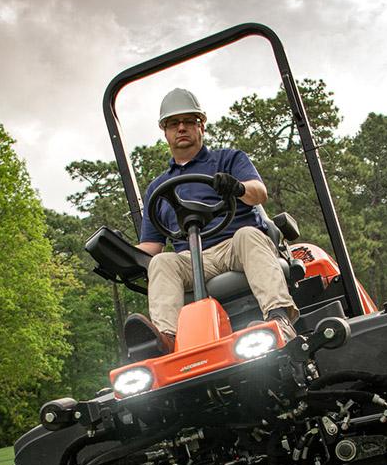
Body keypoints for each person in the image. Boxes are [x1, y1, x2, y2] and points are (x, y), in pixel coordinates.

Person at [126, 87, 299, 353]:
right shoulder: (157, 188)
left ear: (201, 126)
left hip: (235, 246)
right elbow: (151, 246)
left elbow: (258, 193)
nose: (181, 128)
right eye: (174, 123)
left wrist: (238, 188)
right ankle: (169, 341)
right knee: (161, 262)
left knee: (248, 235)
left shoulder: (229, 160)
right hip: (191, 260)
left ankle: (279, 317)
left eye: (188, 121)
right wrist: (117, 255)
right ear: (165, 131)